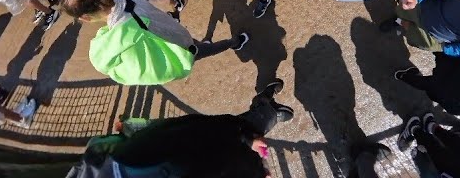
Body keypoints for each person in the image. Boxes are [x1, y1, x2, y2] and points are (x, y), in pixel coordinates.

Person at [66, 81, 293, 178]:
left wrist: (249, 153)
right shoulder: (97, 161)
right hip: (182, 148)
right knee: (229, 134)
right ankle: (265, 110)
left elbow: (193, 134)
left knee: (230, 134)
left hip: (182, 148)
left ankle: (266, 111)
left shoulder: (98, 164)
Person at [60, 0, 248, 86]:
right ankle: (229, 42)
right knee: (197, 44)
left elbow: (132, 70)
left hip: (180, 49)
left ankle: (234, 42)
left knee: (203, 50)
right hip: (175, 30)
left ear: (85, 17)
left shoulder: (119, 37)